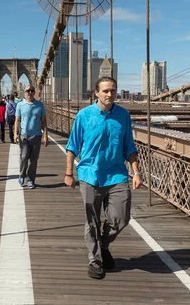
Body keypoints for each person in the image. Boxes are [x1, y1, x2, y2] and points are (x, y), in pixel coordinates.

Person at [64, 77, 142, 280]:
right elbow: (72, 146)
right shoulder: (84, 115)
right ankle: (95, 260)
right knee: (92, 221)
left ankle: (103, 245)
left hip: (117, 174)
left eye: (113, 91)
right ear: (96, 93)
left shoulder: (123, 115)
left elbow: (129, 147)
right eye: (105, 91)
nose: (109, 94)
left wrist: (136, 172)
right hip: (90, 174)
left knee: (121, 218)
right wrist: (68, 173)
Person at [14, 85, 47, 189]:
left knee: (33, 160)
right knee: (23, 157)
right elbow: (17, 120)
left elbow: (44, 122)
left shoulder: (40, 105)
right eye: (28, 91)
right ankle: (21, 174)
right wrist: (15, 133)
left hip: (36, 136)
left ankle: (30, 180)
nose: (30, 92)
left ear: (34, 92)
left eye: (32, 91)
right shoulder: (20, 105)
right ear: (25, 92)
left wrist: (45, 136)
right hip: (24, 135)